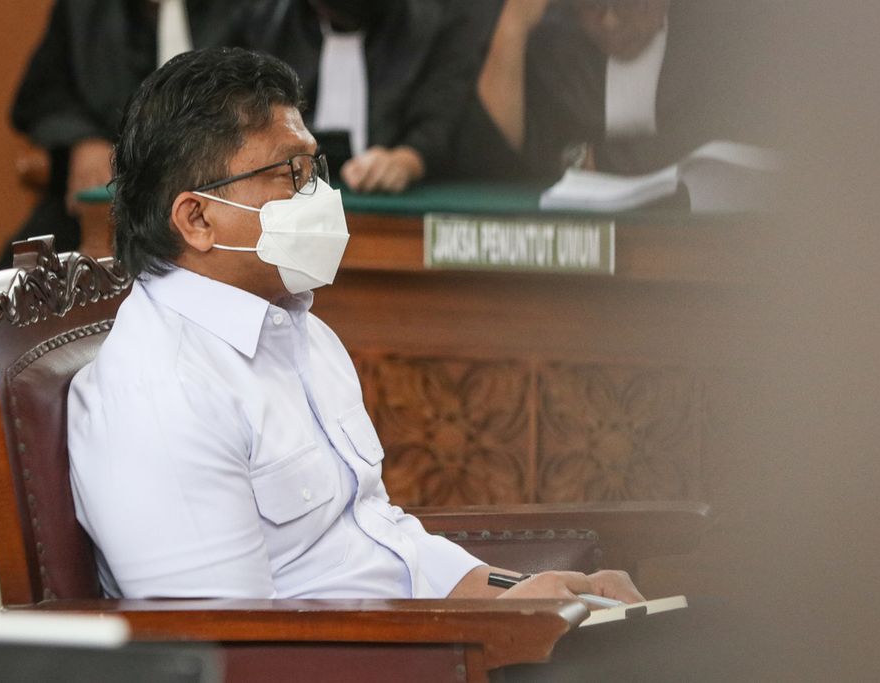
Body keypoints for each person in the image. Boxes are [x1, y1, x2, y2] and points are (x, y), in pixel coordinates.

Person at [67, 46, 642, 605]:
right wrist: (485, 634)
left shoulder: (299, 330)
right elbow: (229, 645)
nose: (319, 193)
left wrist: (518, 595)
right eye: (288, 174)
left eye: (313, 166)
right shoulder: (163, 392)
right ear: (197, 219)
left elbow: (378, 536)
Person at [0, 0, 258, 289]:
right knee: (9, 293)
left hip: (225, 191)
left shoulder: (254, 9)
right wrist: (82, 139)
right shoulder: (82, 8)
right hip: (112, 192)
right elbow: (41, 96)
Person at [453, 0, 778, 182]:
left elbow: (712, 144)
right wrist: (513, 25)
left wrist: (596, 159)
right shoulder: (556, 44)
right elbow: (489, 158)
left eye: (629, 5)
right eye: (592, 6)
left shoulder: (721, 39)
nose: (609, 22)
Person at [250, 0, 492, 193]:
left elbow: (442, 112)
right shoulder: (259, 18)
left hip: (399, 204)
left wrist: (406, 160)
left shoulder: (439, 18)